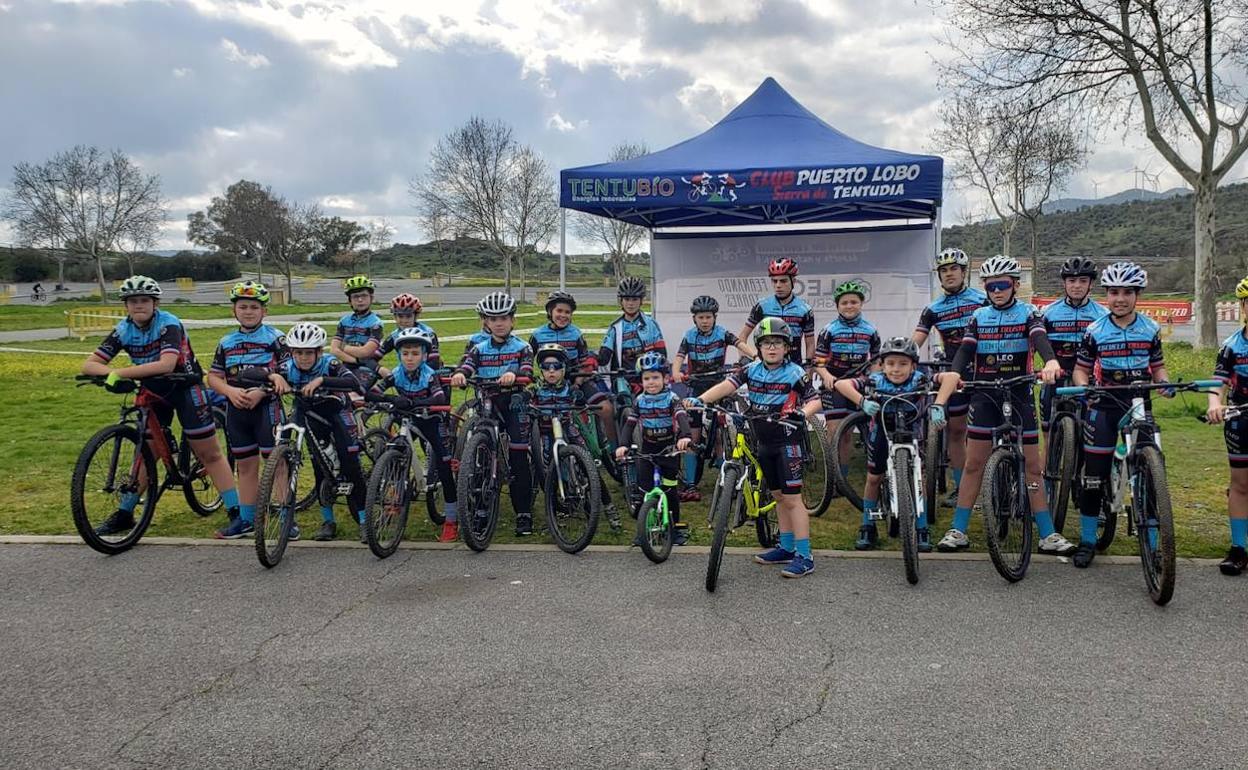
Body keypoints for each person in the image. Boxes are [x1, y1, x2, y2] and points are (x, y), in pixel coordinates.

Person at [937, 255, 1076, 556]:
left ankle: (1048, 533)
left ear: (1014, 285)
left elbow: (1039, 338)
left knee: (1033, 468)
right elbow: (965, 350)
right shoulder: (979, 317)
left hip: (1019, 392)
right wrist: (954, 372)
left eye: (1002, 285)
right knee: (974, 464)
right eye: (990, 286)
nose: (996, 291)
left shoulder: (1029, 313)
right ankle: (958, 529)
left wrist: (1050, 360)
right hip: (984, 394)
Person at [80, 275, 239, 536]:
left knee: (208, 452)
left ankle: (236, 512)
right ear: (126, 306)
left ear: (155, 303)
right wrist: (109, 375)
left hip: (185, 386)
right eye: (132, 301)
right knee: (146, 451)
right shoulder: (123, 329)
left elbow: (166, 364)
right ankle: (125, 513)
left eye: (144, 300)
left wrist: (118, 373)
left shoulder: (168, 324)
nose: (138, 306)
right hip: (153, 389)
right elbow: (89, 364)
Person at [688, 318, 822, 578]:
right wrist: (700, 399)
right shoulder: (751, 370)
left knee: (793, 500)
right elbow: (728, 386)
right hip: (763, 442)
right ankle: (785, 547)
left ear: (787, 347)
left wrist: (802, 414)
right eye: (767, 343)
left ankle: (805, 556)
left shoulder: (794, 372)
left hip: (787, 442)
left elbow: (815, 400)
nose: (772, 348)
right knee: (779, 497)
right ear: (759, 347)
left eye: (778, 343)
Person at [1070, 262, 1174, 568]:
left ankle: (1154, 546)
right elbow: (1080, 369)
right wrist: (1083, 388)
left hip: (1140, 401)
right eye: (1114, 292)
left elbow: (1157, 366)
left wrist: (1164, 383)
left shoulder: (1150, 329)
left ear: (1137, 295)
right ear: (1107, 295)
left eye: (1127, 292)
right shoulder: (1095, 330)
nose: (1120, 298)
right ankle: (1088, 540)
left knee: (1153, 473)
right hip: (1104, 404)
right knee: (1094, 475)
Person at [833, 337, 960, 552]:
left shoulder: (921, 378)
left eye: (903, 364)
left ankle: (921, 527)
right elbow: (840, 383)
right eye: (890, 364)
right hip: (881, 433)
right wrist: (862, 401)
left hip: (913, 434)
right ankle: (868, 525)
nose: (896, 369)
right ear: (882, 365)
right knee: (874, 478)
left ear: (913, 365)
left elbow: (952, 376)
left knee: (919, 478)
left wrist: (938, 404)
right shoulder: (875, 380)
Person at [206, 280, 293, 540]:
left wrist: (262, 392)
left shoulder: (276, 338)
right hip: (237, 410)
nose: (248, 311)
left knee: (277, 465)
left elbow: (288, 374)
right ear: (234, 310)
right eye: (242, 306)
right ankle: (246, 520)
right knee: (245, 466)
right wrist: (230, 392)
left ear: (264, 311)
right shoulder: (226, 342)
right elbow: (213, 377)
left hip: (267, 408)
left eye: (254, 307)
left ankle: (287, 518)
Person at [450, 291, 536, 536]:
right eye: (493, 318)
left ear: (512, 321)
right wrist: (461, 374)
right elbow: (467, 364)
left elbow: (528, 371)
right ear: (486, 322)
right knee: (479, 457)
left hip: (513, 403)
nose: (499, 323)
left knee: (518, 456)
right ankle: (480, 510)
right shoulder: (478, 348)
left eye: (504, 318)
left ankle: (523, 513)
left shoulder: (522, 347)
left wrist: (515, 376)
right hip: (486, 401)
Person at [280, 321, 370, 542]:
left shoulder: (329, 363)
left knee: (350, 465)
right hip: (307, 413)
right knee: (320, 467)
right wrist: (274, 378)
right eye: (298, 353)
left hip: (336, 410)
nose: (303, 358)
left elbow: (354, 382)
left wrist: (322, 380)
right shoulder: (287, 366)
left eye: (309, 353)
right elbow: (261, 374)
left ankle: (365, 521)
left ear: (319, 352)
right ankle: (328, 521)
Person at [912, 247, 986, 506]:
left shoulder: (982, 300)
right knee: (956, 431)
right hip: (955, 373)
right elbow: (916, 342)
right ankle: (962, 487)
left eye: (954, 269)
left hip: (985, 370)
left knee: (990, 430)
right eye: (944, 270)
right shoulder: (933, 308)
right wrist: (902, 359)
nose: (949, 274)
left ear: (964, 272)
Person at [377, 328, 459, 543]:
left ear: (424, 356)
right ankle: (392, 502)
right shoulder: (396, 373)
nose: (410, 358)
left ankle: (451, 519)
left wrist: (413, 402)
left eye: (415, 354)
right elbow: (373, 391)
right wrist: (388, 398)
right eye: (405, 354)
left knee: (443, 465)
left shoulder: (429, 375)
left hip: (431, 420)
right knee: (393, 452)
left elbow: (439, 398)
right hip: (408, 419)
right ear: (399, 356)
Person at [671, 294, 751, 500]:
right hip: (697, 386)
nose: (705, 321)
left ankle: (723, 461)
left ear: (714, 317)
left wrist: (756, 356)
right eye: (701, 318)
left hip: (719, 385)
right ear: (694, 319)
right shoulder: (689, 336)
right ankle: (689, 484)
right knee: (693, 434)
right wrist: (676, 372)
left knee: (723, 424)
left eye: (708, 317)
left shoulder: (722, 333)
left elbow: (739, 344)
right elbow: (679, 358)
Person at [814, 280, 881, 522]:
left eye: (854, 302)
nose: (849, 306)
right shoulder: (829, 330)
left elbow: (876, 360)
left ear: (861, 303)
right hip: (834, 386)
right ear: (837, 306)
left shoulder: (870, 330)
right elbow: (818, 363)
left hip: (857, 386)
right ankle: (832, 481)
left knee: (849, 434)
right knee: (835, 432)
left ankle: (842, 480)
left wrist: (872, 377)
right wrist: (828, 377)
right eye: (845, 302)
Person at [531, 343, 617, 528]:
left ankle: (608, 504)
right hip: (547, 434)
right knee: (545, 469)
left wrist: (580, 398)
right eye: (546, 367)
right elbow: (527, 404)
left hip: (568, 429)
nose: (551, 371)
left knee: (588, 464)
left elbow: (582, 400)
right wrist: (522, 402)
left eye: (556, 367)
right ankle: (554, 508)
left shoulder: (570, 389)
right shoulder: (536, 390)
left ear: (564, 369)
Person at [615, 352, 693, 545]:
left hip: (669, 451)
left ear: (666, 379)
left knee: (670, 491)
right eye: (646, 378)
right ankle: (642, 531)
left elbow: (681, 417)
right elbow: (630, 425)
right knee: (644, 490)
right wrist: (623, 445)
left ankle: (675, 531)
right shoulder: (639, 400)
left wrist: (685, 436)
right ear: (641, 381)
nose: (651, 382)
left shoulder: (672, 398)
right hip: (647, 450)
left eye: (656, 378)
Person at [1207, 276, 1248, 576]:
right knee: (1241, 484)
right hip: (1240, 417)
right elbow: (1218, 384)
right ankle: (1238, 549)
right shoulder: (1232, 346)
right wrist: (1214, 405)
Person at [1040, 257, 1107, 434]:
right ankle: (1050, 461)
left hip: (1088, 379)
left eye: (1083, 281)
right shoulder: (1047, 312)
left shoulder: (1102, 315)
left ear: (1091, 284)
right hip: (1056, 378)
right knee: (1047, 432)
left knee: (1089, 433)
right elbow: (1035, 342)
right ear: (1064, 283)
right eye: (1071, 281)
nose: (1077, 285)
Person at [596, 276, 666, 445]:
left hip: (647, 375)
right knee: (622, 406)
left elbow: (662, 353)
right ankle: (617, 446)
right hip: (623, 377)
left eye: (635, 299)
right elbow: (604, 356)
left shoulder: (651, 324)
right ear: (621, 301)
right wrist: (593, 358)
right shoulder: (615, 327)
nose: (631, 303)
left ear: (641, 300)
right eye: (627, 299)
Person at [739, 258, 815, 365]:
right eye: (774, 281)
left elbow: (810, 344)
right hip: (766, 367)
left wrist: (809, 371)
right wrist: (745, 358)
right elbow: (742, 337)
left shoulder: (805, 310)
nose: (778, 285)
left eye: (783, 281)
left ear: (793, 281)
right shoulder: (761, 306)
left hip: (793, 367)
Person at [331, 275, 384, 387]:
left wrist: (344, 347)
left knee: (355, 394)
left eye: (364, 296)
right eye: (355, 297)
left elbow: (366, 352)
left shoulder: (375, 323)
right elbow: (334, 350)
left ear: (371, 298)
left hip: (367, 367)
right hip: (347, 365)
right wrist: (356, 360)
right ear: (349, 301)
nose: (360, 300)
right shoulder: (344, 321)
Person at [378, 293, 441, 371]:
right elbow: (375, 356)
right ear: (394, 316)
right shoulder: (394, 336)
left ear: (416, 316)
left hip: (428, 373)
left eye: (408, 316)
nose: (404, 321)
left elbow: (434, 362)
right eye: (400, 316)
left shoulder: (428, 333)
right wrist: (379, 369)